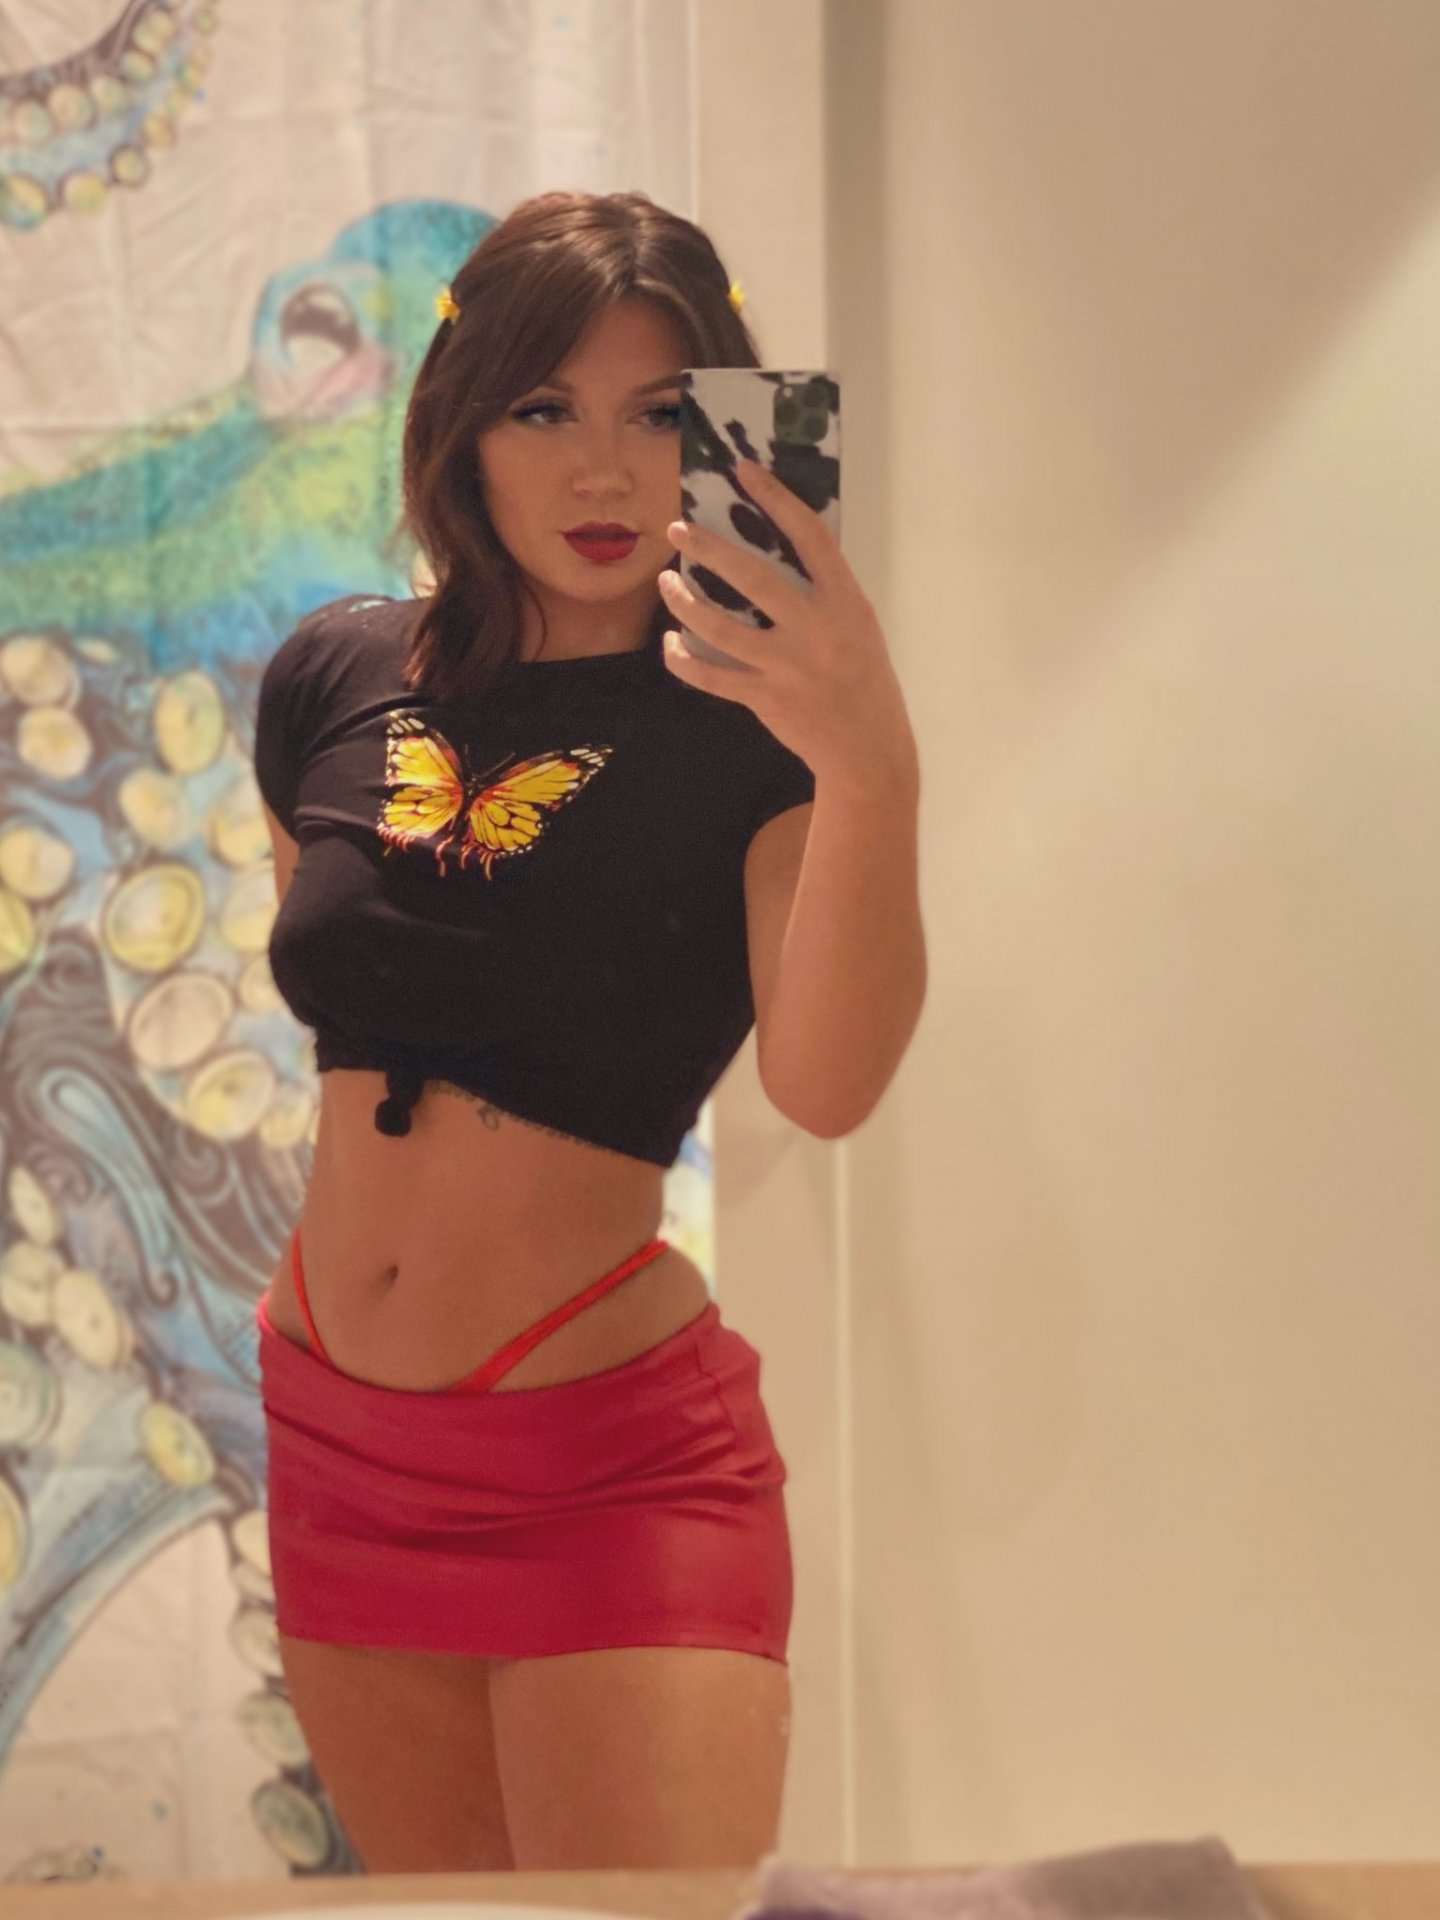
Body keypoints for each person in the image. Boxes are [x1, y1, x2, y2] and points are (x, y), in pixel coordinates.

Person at [251, 188, 925, 1874]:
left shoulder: (756, 735)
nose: (604, 472)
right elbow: (351, 977)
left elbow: (828, 1085)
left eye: (658, 414)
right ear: (462, 431)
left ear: (727, 440)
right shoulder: (331, 675)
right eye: (545, 411)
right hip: (337, 1441)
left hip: (602, 1469)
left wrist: (870, 760)